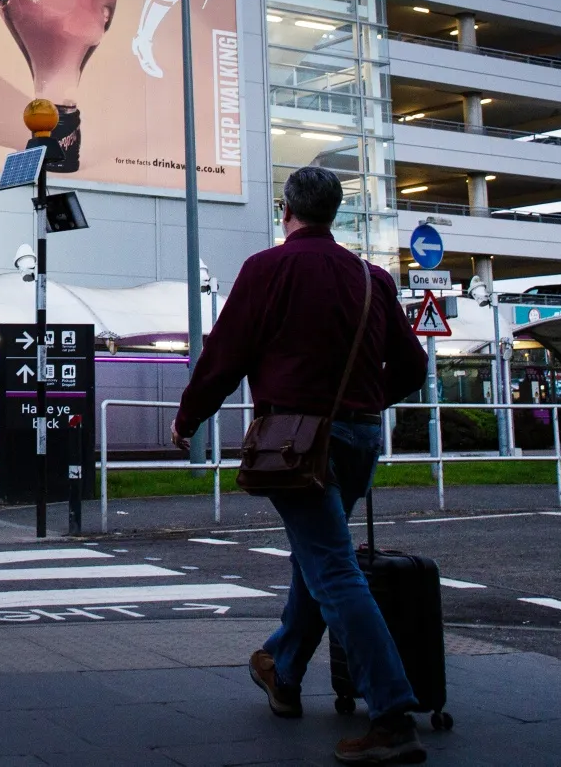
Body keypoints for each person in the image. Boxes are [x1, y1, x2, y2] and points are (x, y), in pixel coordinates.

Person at [171, 165, 429, 765]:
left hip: (296, 443)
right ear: (334, 212)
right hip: (362, 440)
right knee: (321, 558)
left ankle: (391, 715)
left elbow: (224, 355)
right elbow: (413, 369)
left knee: (334, 569)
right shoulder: (372, 279)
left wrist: (189, 419)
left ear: (286, 209)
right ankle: (283, 674)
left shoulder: (267, 269)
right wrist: (364, 404)